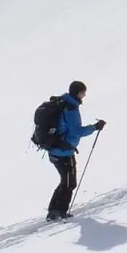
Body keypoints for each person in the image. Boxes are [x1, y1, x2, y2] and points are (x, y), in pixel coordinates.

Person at [46, 80, 105, 221]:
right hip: (63, 152)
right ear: (78, 93)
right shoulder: (71, 108)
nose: (84, 95)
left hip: (56, 149)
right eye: (83, 92)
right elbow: (77, 131)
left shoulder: (63, 102)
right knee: (69, 183)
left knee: (66, 181)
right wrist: (95, 127)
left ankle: (55, 211)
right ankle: (57, 212)